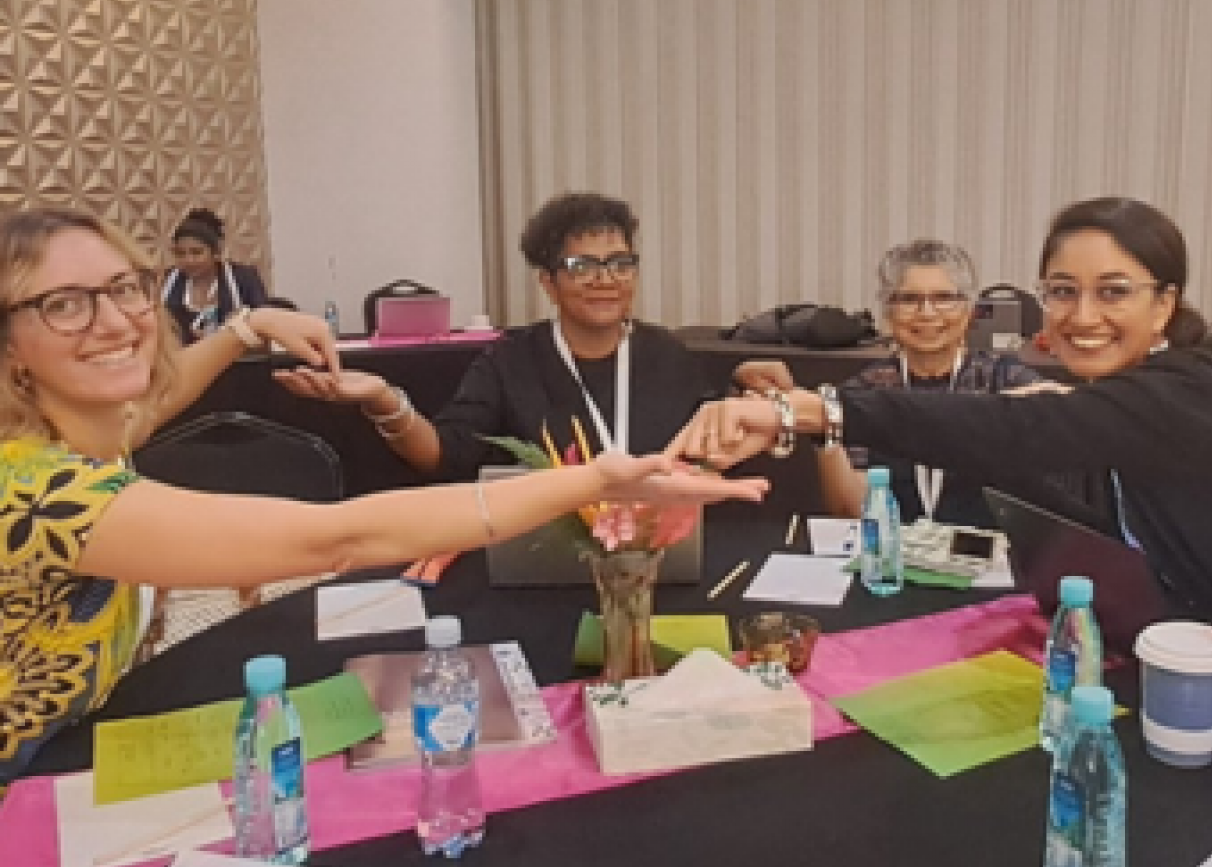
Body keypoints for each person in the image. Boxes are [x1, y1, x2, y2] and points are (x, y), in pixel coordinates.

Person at [0, 207, 767, 790]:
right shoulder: (39, 490)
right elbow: (337, 541)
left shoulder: (75, 434)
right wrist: (598, 479)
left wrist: (245, 326)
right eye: (62, 304)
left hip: (74, 730)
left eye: (123, 290)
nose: (114, 322)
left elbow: (158, 394)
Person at [672, 197, 1212, 644]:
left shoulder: (1183, 391)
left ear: (1165, 303)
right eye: (1063, 291)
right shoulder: (1135, 391)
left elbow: (1013, 431)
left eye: (1114, 292)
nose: (1083, 315)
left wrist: (803, 411)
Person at [277, 192, 714, 479]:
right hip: (540, 556)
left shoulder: (667, 356)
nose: (606, 279)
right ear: (547, 281)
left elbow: (715, 451)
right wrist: (385, 401)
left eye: (620, 263)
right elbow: (443, 455)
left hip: (658, 552)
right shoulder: (510, 361)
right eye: (583, 267)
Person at [733, 240, 1040, 528]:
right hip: (891, 563)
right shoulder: (864, 391)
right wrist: (824, 424)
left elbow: (1065, 415)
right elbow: (851, 508)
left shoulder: (1004, 380)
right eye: (908, 299)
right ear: (888, 313)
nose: (927, 313)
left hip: (988, 566)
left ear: (970, 311)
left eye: (944, 298)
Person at [161, 207, 270, 344]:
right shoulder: (165, 282)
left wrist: (240, 327)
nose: (188, 260)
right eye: (180, 253)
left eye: (197, 252)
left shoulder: (244, 279)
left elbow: (265, 327)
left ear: (216, 253)